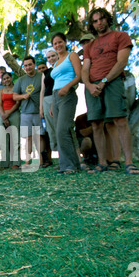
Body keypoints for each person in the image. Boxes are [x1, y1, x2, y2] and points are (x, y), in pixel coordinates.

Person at [82, 7, 139, 175]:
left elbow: (122, 62)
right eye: (95, 21)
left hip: (112, 83)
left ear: (107, 19)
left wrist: (104, 81)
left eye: (101, 19)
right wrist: (89, 85)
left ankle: (128, 162)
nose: (99, 23)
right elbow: (85, 68)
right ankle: (102, 162)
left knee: (120, 121)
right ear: (92, 25)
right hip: (92, 87)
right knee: (96, 124)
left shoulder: (120, 36)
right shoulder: (90, 46)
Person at [49, 32, 82, 174]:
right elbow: (55, 83)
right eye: (55, 44)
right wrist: (51, 103)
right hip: (56, 97)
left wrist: (67, 87)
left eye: (60, 42)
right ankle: (67, 165)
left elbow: (79, 76)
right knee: (59, 132)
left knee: (63, 129)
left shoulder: (72, 56)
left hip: (67, 95)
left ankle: (70, 165)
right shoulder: (56, 62)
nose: (58, 45)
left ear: (65, 42)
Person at [13, 56, 46, 169]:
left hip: (38, 112)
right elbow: (14, 96)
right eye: (25, 65)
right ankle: (28, 160)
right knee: (28, 138)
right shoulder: (20, 80)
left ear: (34, 65)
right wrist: (23, 96)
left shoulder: (41, 76)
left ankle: (41, 160)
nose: (28, 67)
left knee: (40, 136)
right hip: (25, 113)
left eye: (30, 65)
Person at [0, 72, 21, 169]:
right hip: (3, 115)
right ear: (2, 81)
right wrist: (3, 115)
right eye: (4, 79)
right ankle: (5, 163)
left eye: (8, 78)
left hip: (14, 114)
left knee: (15, 139)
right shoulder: (1, 91)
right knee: (3, 139)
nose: (6, 80)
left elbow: (18, 103)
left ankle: (15, 162)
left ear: (11, 78)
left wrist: (8, 113)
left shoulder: (16, 88)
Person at [39, 48, 59, 168]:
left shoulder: (59, 69)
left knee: (60, 128)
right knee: (51, 131)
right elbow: (42, 90)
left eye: (53, 56)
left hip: (57, 98)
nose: (51, 58)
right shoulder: (45, 74)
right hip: (46, 100)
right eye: (48, 57)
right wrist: (41, 108)